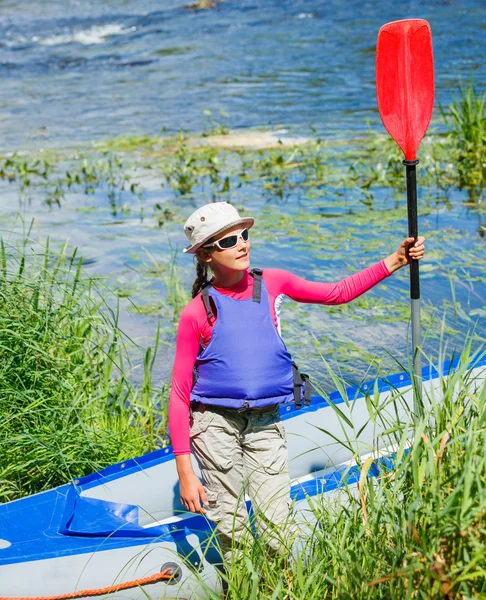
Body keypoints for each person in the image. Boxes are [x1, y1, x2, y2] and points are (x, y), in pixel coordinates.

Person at [168, 201, 425, 566]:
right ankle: (240, 586)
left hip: (266, 422)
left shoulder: (272, 283)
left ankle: (282, 585)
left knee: (277, 527)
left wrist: (395, 261)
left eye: (244, 235)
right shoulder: (198, 311)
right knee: (232, 530)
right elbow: (179, 396)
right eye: (229, 242)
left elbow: (337, 293)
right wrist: (186, 472)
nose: (242, 244)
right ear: (206, 255)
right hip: (214, 427)